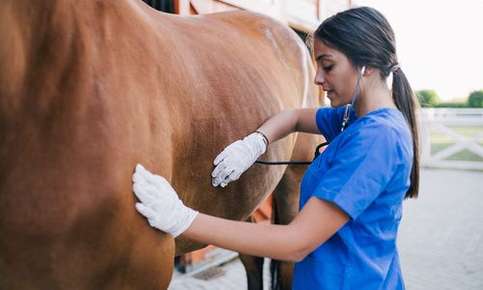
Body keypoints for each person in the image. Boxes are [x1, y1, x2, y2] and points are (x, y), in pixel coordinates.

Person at [131, 6, 420, 289]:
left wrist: (182, 219)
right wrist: (255, 143)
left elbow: (295, 243)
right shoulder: (355, 118)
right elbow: (293, 117)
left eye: (328, 65)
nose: (318, 79)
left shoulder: (376, 139)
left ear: (366, 65)